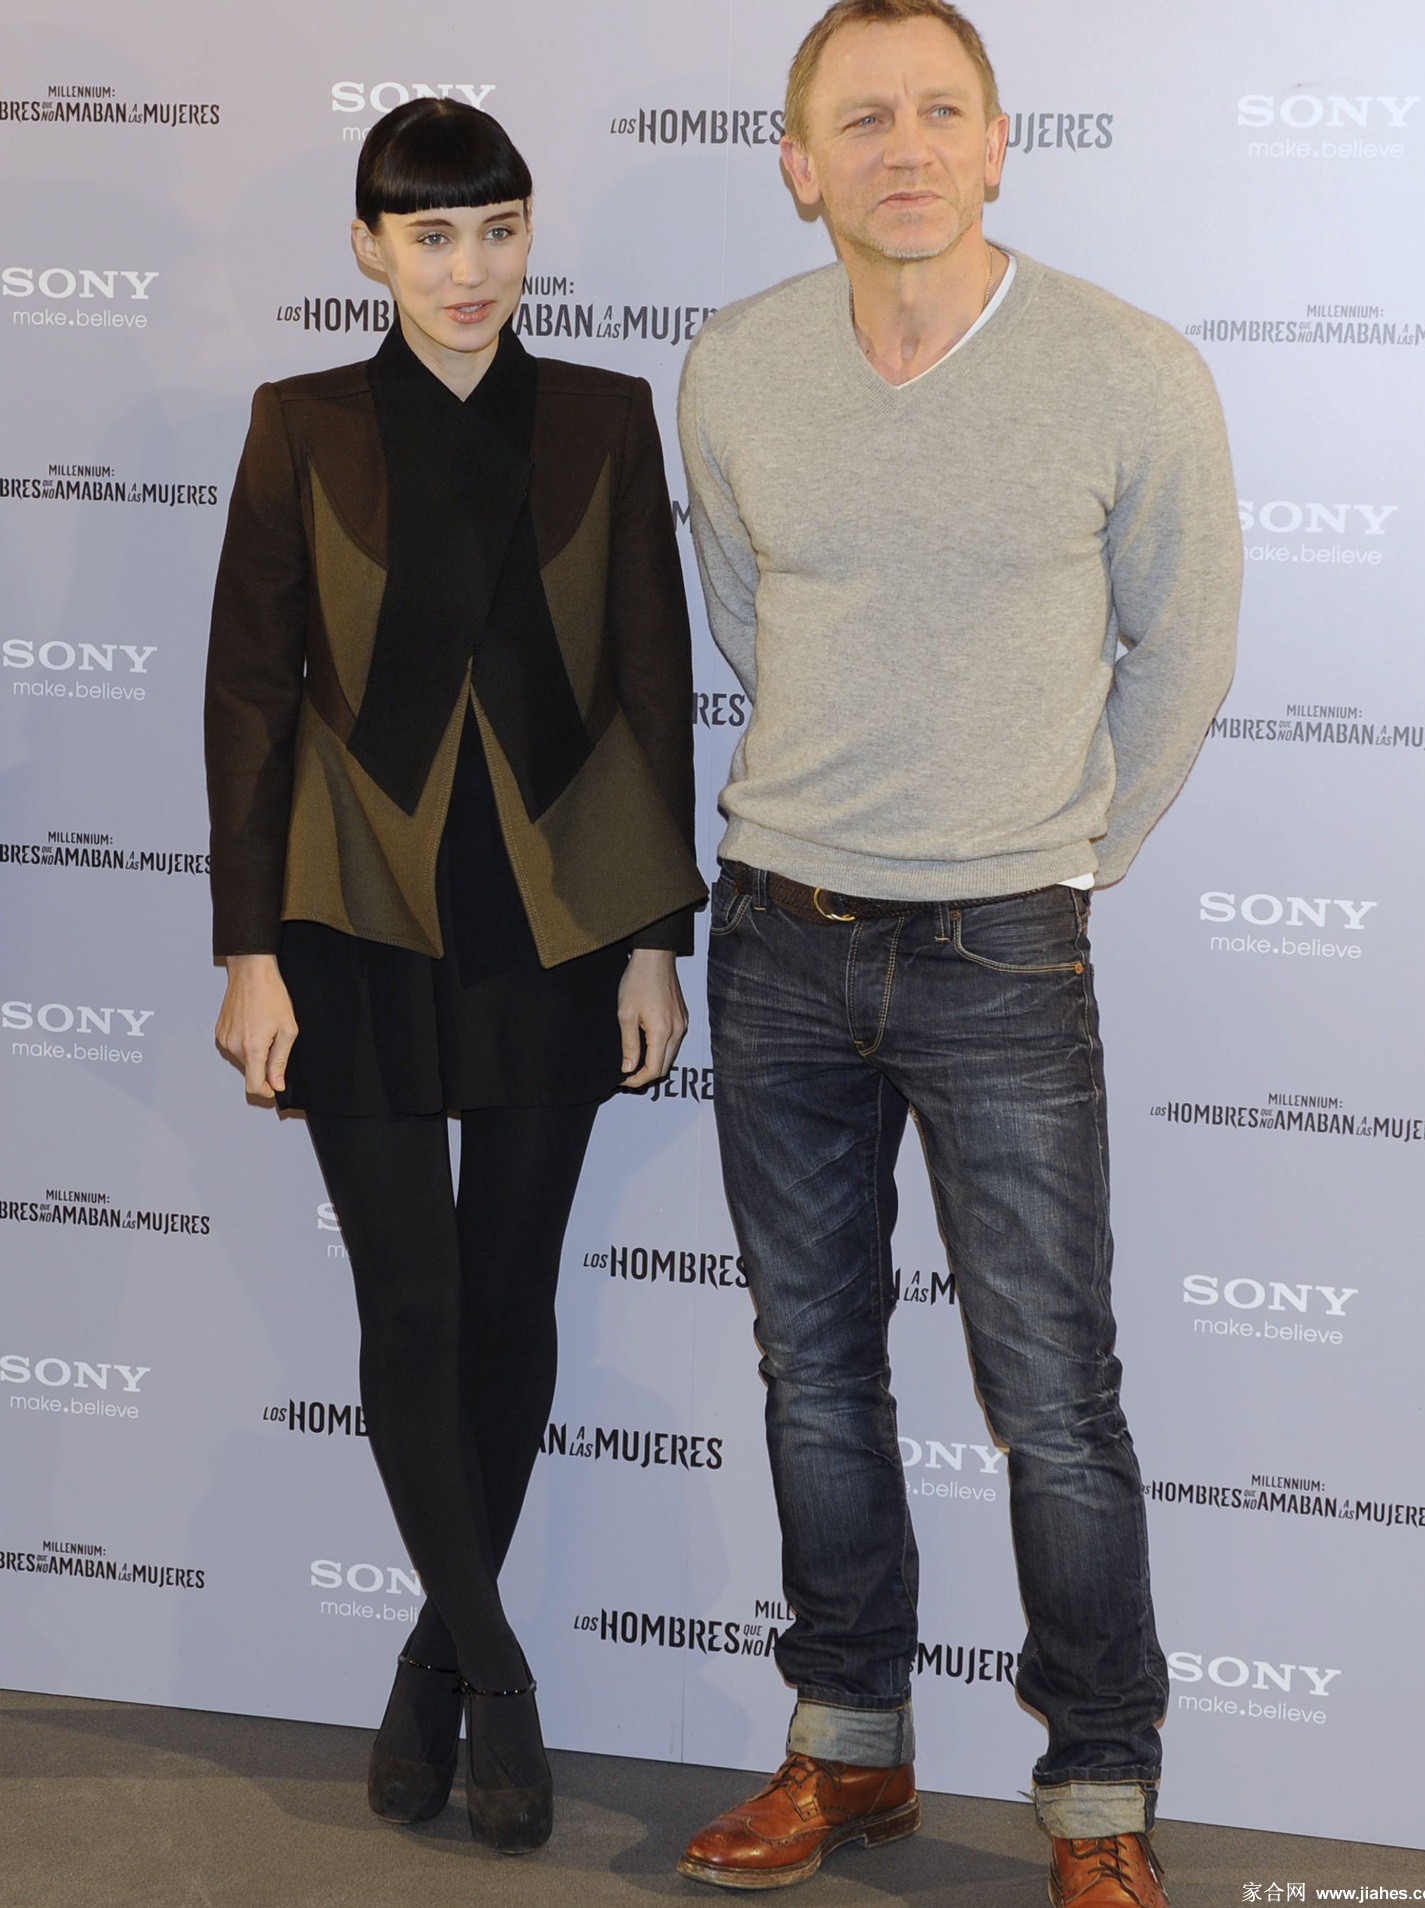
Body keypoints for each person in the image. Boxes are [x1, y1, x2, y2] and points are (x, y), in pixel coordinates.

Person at [675, 0, 1240, 1897]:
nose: (902, 148)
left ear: (999, 145)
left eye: (939, 112)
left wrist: (1072, 854)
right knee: (813, 1372)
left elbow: (1186, 647)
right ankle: (849, 1747)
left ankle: (1097, 1800)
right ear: (798, 162)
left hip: (1006, 949)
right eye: (861, 119)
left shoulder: (1129, 369)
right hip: (777, 934)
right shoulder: (734, 367)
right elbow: (748, 614)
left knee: (1053, 1399)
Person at [204, 98, 705, 1854]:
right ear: (370, 248)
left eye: (497, 229)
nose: (469, 268)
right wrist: (248, 950)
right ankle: (500, 1671)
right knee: (410, 1312)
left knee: (508, 1304)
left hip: (560, 917)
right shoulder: (301, 423)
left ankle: (432, 1665)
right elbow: (249, 694)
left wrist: (656, 938)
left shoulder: (607, 416)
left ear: (527, 234)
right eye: (431, 235)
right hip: (348, 915)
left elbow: (655, 679)